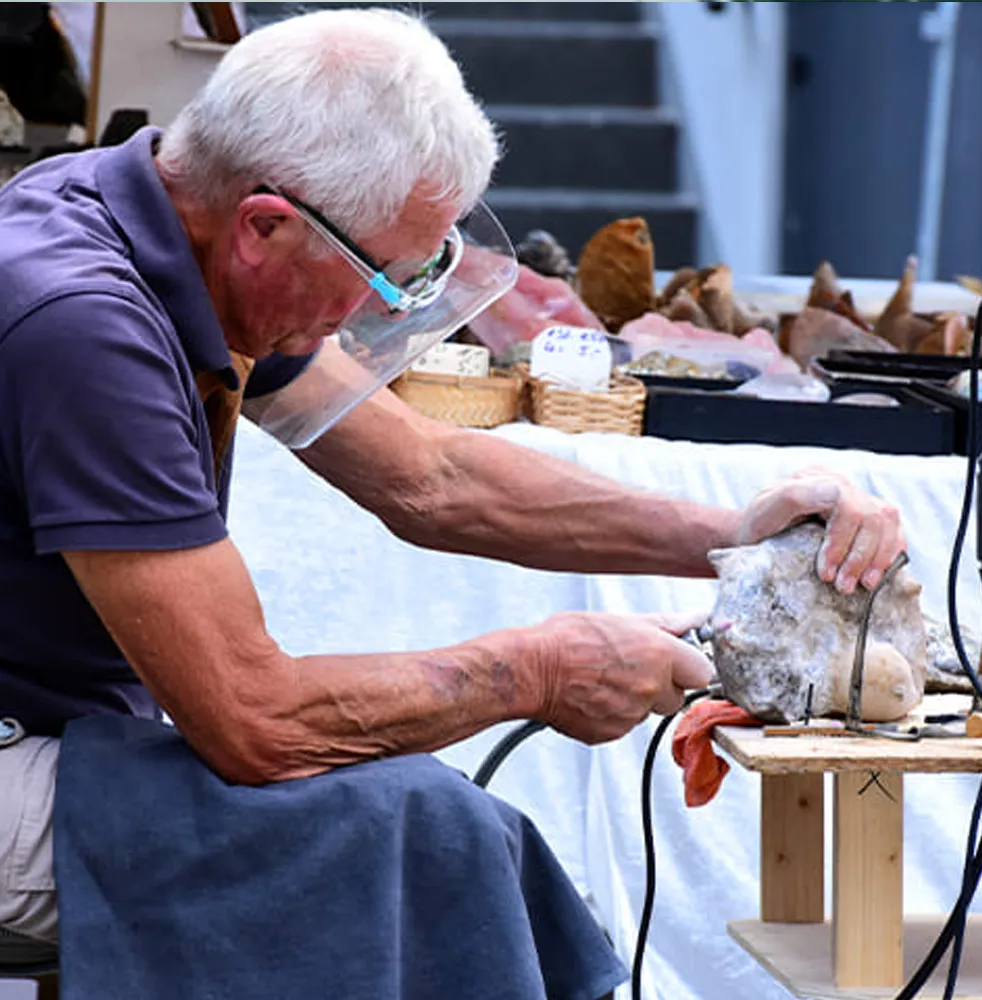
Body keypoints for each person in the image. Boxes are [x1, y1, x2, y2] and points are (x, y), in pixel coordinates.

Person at [0, 8, 905, 999]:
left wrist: (732, 537)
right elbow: (251, 719)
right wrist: (533, 668)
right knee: (413, 831)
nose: (386, 309)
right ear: (266, 226)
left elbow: (432, 478)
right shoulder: (86, 323)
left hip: (69, 720)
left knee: (412, 823)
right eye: (385, 277)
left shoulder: (178, 225)